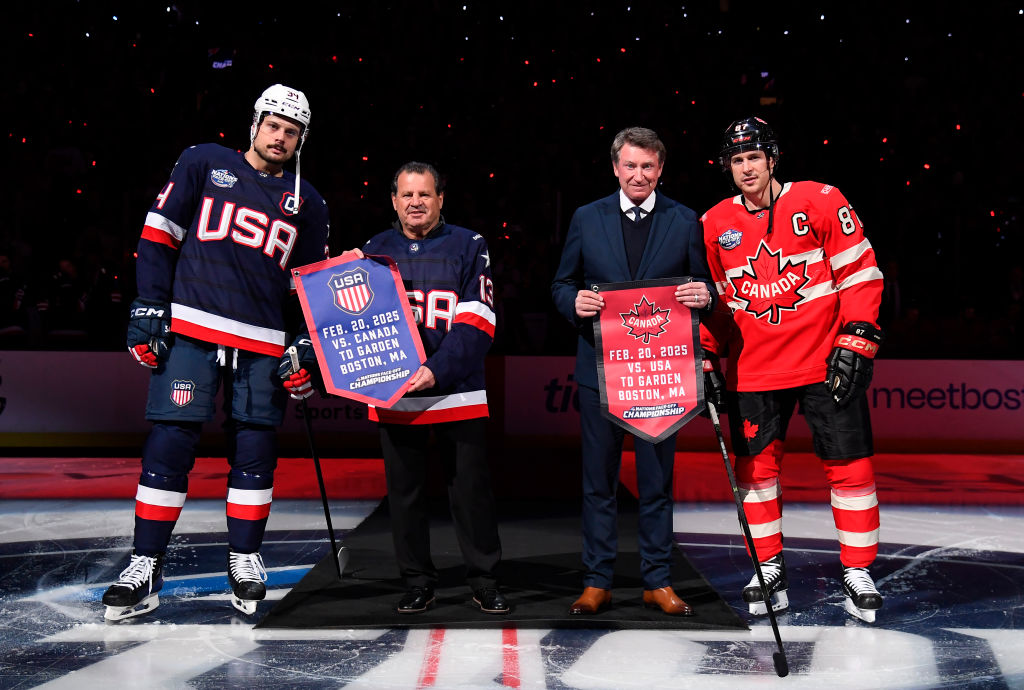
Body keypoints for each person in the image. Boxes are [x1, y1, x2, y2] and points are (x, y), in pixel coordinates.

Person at [101, 84, 330, 621]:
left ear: (302, 139)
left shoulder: (310, 201)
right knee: (169, 443)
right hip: (193, 330)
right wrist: (149, 307)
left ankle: (245, 558)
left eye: (291, 130)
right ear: (254, 124)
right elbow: (159, 234)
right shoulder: (204, 162)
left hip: (263, 344)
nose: (280, 136)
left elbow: (309, 286)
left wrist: (306, 347)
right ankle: (145, 565)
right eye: (273, 125)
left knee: (255, 453)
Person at [699, 116, 886, 623]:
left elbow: (861, 272)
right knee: (755, 473)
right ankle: (767, 567)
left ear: (772, 158)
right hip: (753, 370)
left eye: (753, 157)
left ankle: (858, 570)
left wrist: (857, 337)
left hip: (824, 362)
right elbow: (714, 300)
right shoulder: (715, 222)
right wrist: (705, 354)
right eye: (736, 161)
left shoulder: (821, 200)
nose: (746, 168)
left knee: (850, 466)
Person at [551, 127, 715, 616]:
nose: (638, 175)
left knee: (657, 482)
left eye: (648, 166)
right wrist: (572, 301)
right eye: (630, 166)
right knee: (598, 482)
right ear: (615, 168)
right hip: (600, 373)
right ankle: (597, 579)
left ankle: (657, 580)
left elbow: (702, 281)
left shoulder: (685, 220)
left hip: (661, 375)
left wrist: (704, 295)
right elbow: (562, 282)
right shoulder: (587, 217)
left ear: (660, 169)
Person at [355, 161, 507, 615]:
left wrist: (437, 370)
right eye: (406, 195)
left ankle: (484, 580)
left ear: (441, 198)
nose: (415, 202)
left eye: (424, 194)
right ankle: (417, 581)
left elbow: (478, 321)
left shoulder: (469, 244)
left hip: (456, 392)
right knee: (404, 495)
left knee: (470, 493)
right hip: (396, 394)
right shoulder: (373, 250)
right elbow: (354, 322)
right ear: (394, 200)